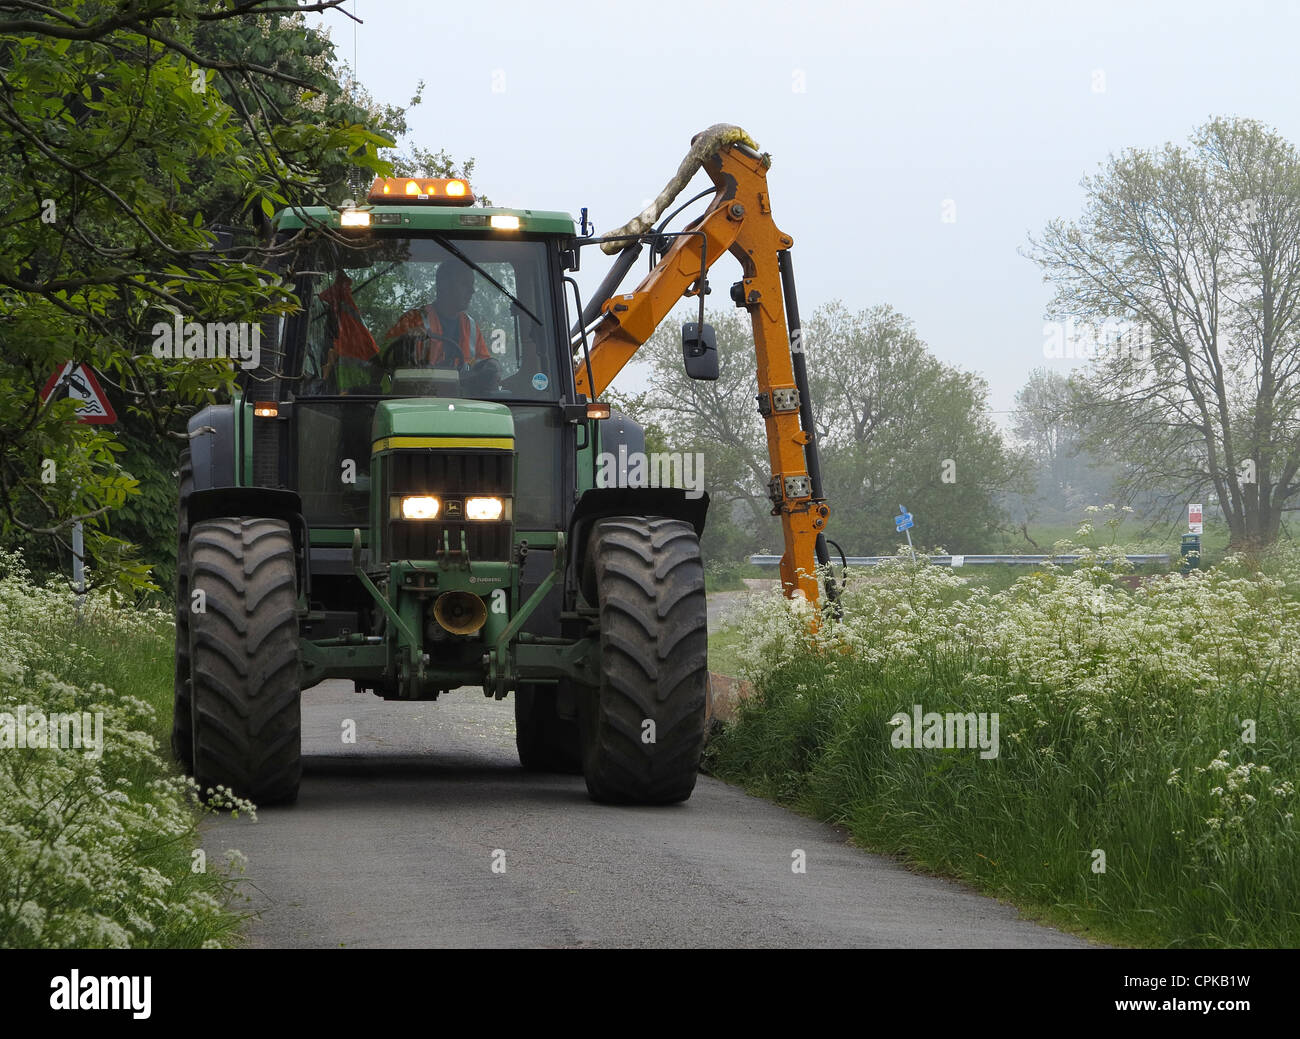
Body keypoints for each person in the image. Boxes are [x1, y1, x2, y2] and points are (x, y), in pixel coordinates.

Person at [383, 260, 491, 370]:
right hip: (422, 386)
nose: (472, 291)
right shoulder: (412, 321)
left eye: (471, 285)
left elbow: (485, 368)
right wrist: (405, 345)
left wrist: (492, 366)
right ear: (444, 285)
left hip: (462, 387)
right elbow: (385, 361)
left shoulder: (471, 327)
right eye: (464, 284)